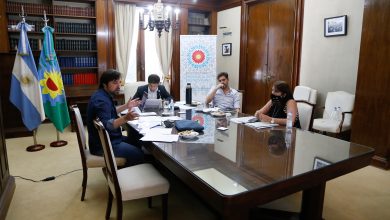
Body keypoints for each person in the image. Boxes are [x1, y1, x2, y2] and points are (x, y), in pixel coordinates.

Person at [87, 69, 144, 167]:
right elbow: (107, 125)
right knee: (139, 154)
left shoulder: (102, 95)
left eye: (119, 82)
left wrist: (126, 106)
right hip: (104, 145)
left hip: (110, 138)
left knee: (137, 141)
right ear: (105, 84)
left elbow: (110, 112)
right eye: (114, 83)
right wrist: (125, 118)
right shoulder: (101, 100)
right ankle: (124, 176)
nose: (119, 86)